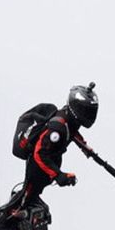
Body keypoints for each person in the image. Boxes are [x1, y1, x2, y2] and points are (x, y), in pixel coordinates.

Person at [15, 82, 99, 213]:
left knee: (35, 192)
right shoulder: (58, 129)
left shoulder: (69, 121)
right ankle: (10, 218)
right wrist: (59, 175)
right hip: (38, 164)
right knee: (28, 196)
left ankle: (28, 203)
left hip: (50, 160)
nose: (88, 115)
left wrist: (86, 148)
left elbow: (72, 133)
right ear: (76, 108)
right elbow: (39, 153)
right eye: (85, 111)